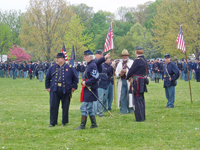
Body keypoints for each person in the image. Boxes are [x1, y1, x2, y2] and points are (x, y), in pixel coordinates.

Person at [45, 53, 78, 127]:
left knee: (65, 107)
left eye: (58, 58)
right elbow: (47, 78)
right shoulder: (52, 67)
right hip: (54, 90)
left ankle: (64, 122)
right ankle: (53, 122)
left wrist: (73, 87)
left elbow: (75, 78)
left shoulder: (70, 67)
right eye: (56, 58)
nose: (56, 59)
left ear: (63, 59)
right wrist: (47, 87)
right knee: (53, 106)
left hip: (66, 90)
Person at [75, 50, 99, 130]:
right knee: (89, 108)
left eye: (86, 56)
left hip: (90, 89)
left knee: (84, 107)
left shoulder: (92, 65)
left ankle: (82, 125)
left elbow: (96, 77)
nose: (84, 57)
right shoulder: (89, 64)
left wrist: (87, 82)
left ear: (90, 57)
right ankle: (93, 124)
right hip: (88, 89)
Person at [126, 46, 148, 122]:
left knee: (137, 99)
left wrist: (128, 76)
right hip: (142, 80)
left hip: (137, 82)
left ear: (136, 52)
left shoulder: (137, 60)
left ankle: (139, 118)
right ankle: (143, 116)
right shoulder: (144, 60)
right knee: (141, 99)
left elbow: (131, 70)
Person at [115, 49, 134, 114]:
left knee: (130, 96)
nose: (124, 57)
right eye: (123, 56)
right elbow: (116, 72)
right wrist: (119, 74)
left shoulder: (131, 62)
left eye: (125, 55)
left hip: (129, 81)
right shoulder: (120, 63)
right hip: (122, 81)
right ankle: (123, 110)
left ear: (128, 56)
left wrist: (126, 72)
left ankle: (131, 109)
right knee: (122, 96)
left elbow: (133, 71)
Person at [93, 50, 110, 116]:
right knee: (99, 98)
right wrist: (104, 58)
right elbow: (97, 62)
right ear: (96, 55)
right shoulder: (95, 61)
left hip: (103, 83)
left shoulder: (101, 64)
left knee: (101, 98)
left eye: (101, 54)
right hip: (98, 83)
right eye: (100, 54)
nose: (101, 55)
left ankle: (98, 111)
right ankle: (98, 112)